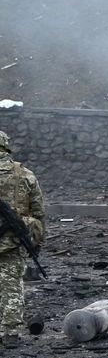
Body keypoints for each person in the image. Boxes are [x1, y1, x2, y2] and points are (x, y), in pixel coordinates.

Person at [0, 129, 45, 346]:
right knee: (11, 286)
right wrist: (37, 241)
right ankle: (10, 332)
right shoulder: (26, 175)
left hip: (12, 236)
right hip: (13, 241)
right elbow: (38, 213)